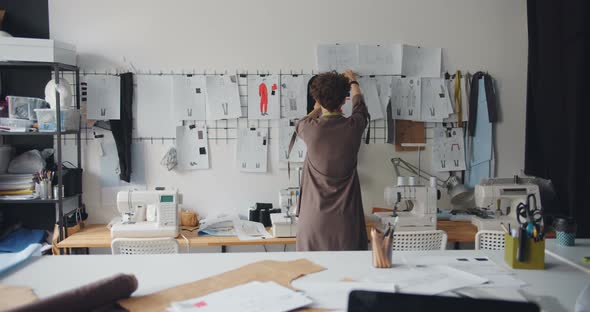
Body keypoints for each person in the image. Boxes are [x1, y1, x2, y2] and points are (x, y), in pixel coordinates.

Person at [295, 70, 369, 251]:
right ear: (344, 101)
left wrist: (317, 107)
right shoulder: (354, 126)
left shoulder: (308, 128)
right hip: (346, 223)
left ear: (318, 100)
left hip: (313, 222)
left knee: (312, 276)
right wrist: (353, 82)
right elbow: (360, 107)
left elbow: (302, 122)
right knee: (349, 276)